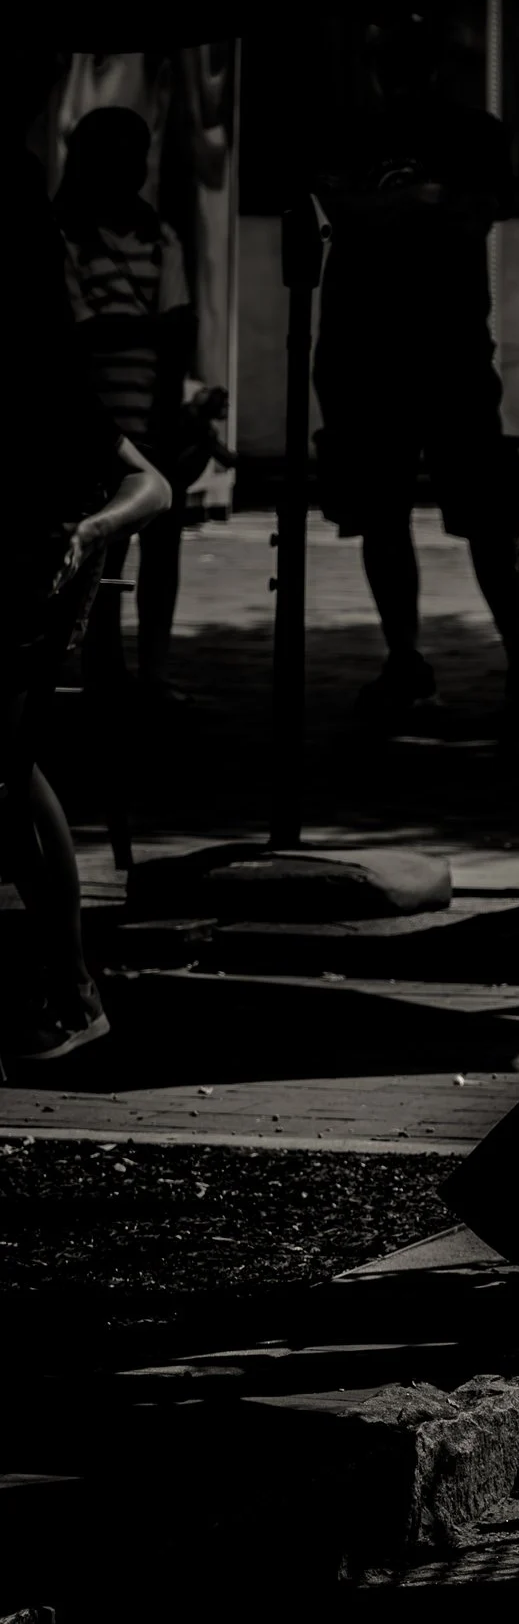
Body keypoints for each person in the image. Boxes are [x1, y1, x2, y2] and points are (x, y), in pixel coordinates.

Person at [314, 13, 519, 735]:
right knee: (381, 511)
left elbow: (470, 216)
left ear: (431, 69)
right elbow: (342, 204)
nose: (400, 79)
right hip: (365, 350)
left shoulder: (473, 133)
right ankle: (409, 661)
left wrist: (389, 210)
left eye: (409, 65)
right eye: (391, 65)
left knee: (488, 513)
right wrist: (418, 203)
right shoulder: (351, 130)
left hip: (450, 346)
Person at [4, 69, 173, 1061]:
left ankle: (70, 982)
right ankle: (64, 980)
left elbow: (151, 485)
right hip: (37, 556)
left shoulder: (41, 377)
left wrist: (86, 532)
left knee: (12, 768)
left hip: (29, 565)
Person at [55, 105, 199, 701]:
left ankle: (154, 670)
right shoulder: (63, 237)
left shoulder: (159, 236)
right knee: (102, 546)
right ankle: (103, 668)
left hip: (149, 413)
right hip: (92, 419)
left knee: (159, 543)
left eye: (135, 152)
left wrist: (165, 407)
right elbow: (77, 336)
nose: (128, 166)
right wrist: (150, 331)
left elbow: (173, 333)